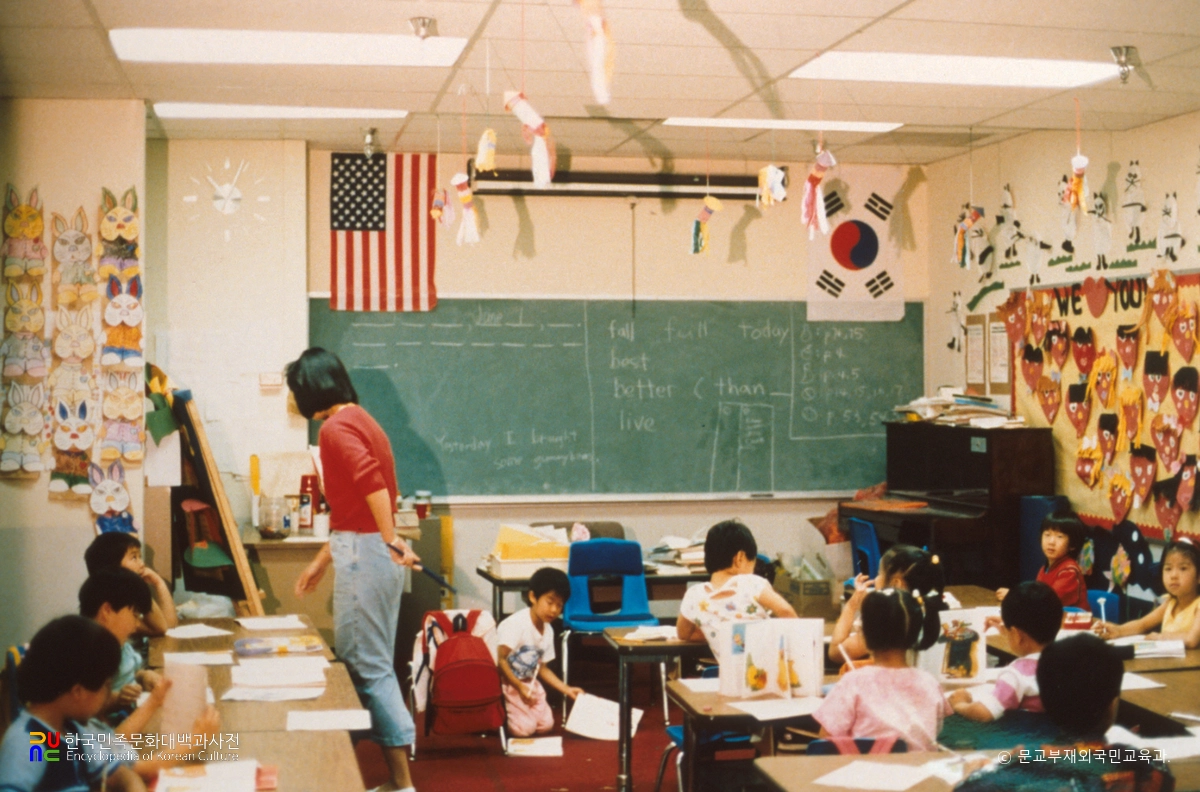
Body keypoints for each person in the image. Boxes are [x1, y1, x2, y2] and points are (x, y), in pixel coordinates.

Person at [288, 347, 419, 792]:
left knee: (368, 667)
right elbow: (353, 510)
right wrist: (322, 561)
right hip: (364, 551)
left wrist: (389, 538)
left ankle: (402, 785)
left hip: (367, 553)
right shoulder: (361, 419)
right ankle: (353, 772)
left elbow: (372, 485)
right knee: (363, 663)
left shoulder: (334, 428)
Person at [956, 633, 1174, 791]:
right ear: (1112, 703)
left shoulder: (1019, 765)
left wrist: (974, 775)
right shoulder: (1148, 766)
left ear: (1045, 702)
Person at [0, 615, 145, 792]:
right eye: (105, 686)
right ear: (78, 691)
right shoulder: (31, 744)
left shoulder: (74, 732)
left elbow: (120, 775)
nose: (108, 696)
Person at [814, 588, 948, 751]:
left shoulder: (853, 682)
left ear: (864, 633)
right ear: (914, 634)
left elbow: (824, 746)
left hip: (865, 774)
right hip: (921, 773)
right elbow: (938, 732)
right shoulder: (930, 683)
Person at [676, 520, 797, 654]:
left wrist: (718, 634)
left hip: (730, 673)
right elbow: (785, 610)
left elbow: (684, 634)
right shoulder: (751, 583)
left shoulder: (694, 595)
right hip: (769, 667)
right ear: (740, 558)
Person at [948, 581, 1062, 722]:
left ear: (1016, 635)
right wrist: (1008, 630)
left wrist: (960, 704)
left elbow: (984, 713)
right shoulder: (1067, 658)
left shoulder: (1015, 675)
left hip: (1027, 738)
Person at [496, 567, 583, 737]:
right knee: (525, 730)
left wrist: (566, 689)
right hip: (507, 684)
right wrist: (518, 685)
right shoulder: (516, 624)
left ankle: (521, 714)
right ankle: (500, 717)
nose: (554, 610)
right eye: (550, 602)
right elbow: (500, 660)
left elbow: (542, 668)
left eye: (559, 605)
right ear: (532, 597)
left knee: (545, 726)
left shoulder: (548, 630)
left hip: (529, 684)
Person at [829, 544, 946, 665]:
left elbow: (836, 653)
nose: (876, 579)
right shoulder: (933, 609)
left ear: (896, 584)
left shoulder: (885, 620)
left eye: (879, 573)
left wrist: (852, 604)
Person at [78, 568, 161, 718]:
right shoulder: (86, 651)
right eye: (134, 614)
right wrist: (117, 698)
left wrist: (142, 676)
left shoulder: (118, 643)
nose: (136, 624)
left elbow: (129, 671)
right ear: (107, 611)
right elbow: (83, 706)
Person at [1095, 538, 1200, 649]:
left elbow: (1191, 639)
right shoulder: (1170, 603)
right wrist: (1118, 630)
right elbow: (1142, 624)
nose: (1173, 575)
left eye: (1183, 568)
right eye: (1168, 569)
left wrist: (1161, 637)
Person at [84, 532, 178, 636]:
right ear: (114, 566)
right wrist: (140, 585)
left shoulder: (126, 593)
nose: (142, 564)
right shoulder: (110, 602)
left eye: (140, 557)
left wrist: (158, 582)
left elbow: (169, 627)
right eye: (134, 557)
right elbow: (161, 628)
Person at [998, 511, 1086, 609]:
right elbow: (1036, 597)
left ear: (1072, 544)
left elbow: (1046, 602)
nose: (1051, 542)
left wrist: (1013, 597)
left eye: (1059, 537)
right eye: (1047, 535)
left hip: (1075, 622)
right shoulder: (1044, 569)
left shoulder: (1069, 571)